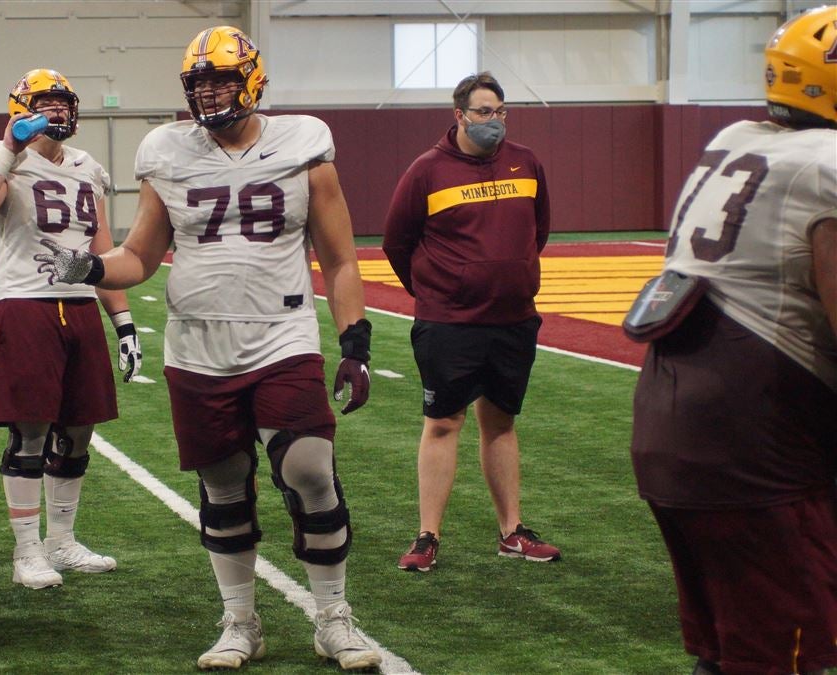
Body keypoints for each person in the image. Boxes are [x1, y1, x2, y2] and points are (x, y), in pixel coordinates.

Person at [34, 26, 381, 671]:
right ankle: (240, 620)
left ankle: (333, 617)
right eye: (200, 83)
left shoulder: (304, 142)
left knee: (308, 469)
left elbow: (338, 257)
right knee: (224, 485)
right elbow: (139, 255)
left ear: (252, 79)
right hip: (197, 345)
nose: (211, 93)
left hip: (282, 336)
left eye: (222, 79)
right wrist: (89, 270)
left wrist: (355, 340)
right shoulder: (166, 149)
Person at [630, 8, 837, 674]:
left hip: (675, 424)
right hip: (755, 442)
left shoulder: (736, 139)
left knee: (728, 653)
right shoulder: (824, 164)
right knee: (786, 654)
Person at [0, 69, 140, 589]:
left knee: (79, 428)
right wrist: (8, 152)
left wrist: (123, 323)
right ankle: (27, 552)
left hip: (80, 305)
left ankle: (62, 541)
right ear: (20, 108)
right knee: (31, 429)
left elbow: (103, 253)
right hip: (25, 304)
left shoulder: (88, 166)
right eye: (45, 103)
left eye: (62, 102)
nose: (56, 111)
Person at [383, 71, 560, 572]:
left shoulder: (527, 163)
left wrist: (512, 275)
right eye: (484, 112)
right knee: (443, 422)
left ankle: (512, 532)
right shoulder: (426, 171)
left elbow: (538, 229)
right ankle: (427, 536)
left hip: (513, 319)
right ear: (459, 115)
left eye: (501, 112)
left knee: (501, 422)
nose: (494, 121)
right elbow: (397, 242)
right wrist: (438, 289)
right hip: (449, 322)